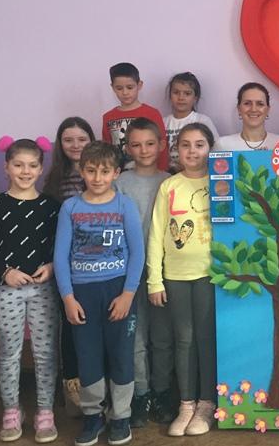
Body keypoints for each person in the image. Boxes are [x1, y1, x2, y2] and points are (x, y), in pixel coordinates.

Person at [54, 141, 145, 446]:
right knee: (88, 356)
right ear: (81, 171)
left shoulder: (124, 206)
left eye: (104, 171)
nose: (97, 177)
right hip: (82, 294)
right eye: (91, 170)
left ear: (116, 173)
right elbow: (60, 256)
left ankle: (120, 416)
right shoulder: (70, 208)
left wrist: (128, 294)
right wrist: (68, 297)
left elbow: (137, 253)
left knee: (121, 354)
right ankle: (93, 415)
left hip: (118, 291)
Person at [0, 138, 61, 443]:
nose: (25, 171)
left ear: (41, 168)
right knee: (9, 352)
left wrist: (52, 266)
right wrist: (5, 271)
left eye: (32, 165)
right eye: (18, 165)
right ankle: (11, 409)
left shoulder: (51, 207)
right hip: (5, 292)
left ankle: (45, 411)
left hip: (43, 290)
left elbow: (61, 246)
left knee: (45, 352)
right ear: (6, 167)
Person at [147, 123, 216, 436]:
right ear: (176, 150)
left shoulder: (221, 181)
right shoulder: (169, 186)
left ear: (210, 148)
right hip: (175, 276)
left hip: (210, 275)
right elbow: (156, 234)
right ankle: (186, 405)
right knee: (183, 340)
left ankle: (206, 405)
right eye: (185, 145)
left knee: (206, 339)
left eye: (199, 144)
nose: (192, 151)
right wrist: (155, 280)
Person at [112, 118, 172, 427]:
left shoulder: (171, 181)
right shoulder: (119, 183)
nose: (144, 150)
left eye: (150, 144)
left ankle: (162, 392)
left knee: (161, 338)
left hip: (164, 274)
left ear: (161, 145)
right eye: (136, 145)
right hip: (129, 275)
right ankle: (140, 394)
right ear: (127, 148)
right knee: (134, 338)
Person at [42, 117, 95, 418]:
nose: (75, 145)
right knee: (70, 325)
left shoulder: (100, 176)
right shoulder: (54, 180)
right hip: (65, 266)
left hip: (97, 267)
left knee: (96, 327)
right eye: (68, 140)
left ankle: (98, 389)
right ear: (60, 144)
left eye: (82, 139)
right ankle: (72, 389)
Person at [103, 62, 169, 171]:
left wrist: (162, 175)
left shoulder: (152, 113)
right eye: (119, 88)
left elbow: (162, 149)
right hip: (118, 176)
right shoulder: (108, 117)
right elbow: (106, 152)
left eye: (130, 87)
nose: (125, 92)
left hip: (150, 174)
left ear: (139, 85)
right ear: (113, 87)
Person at [163, 72, 220, 173]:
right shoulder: (163, 122)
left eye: (187, 94)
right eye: (176, 92)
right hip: (168, 175)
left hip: (197, 174)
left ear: (195, 98)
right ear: (170, 95)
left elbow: (216, 150)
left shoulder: (202, 121)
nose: (181, 97)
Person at [217, 82, 279, 151]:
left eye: (260, 104)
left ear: (268, 109)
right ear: (239, 108)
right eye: (247, 103)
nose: (253, 109)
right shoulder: (223, 145)